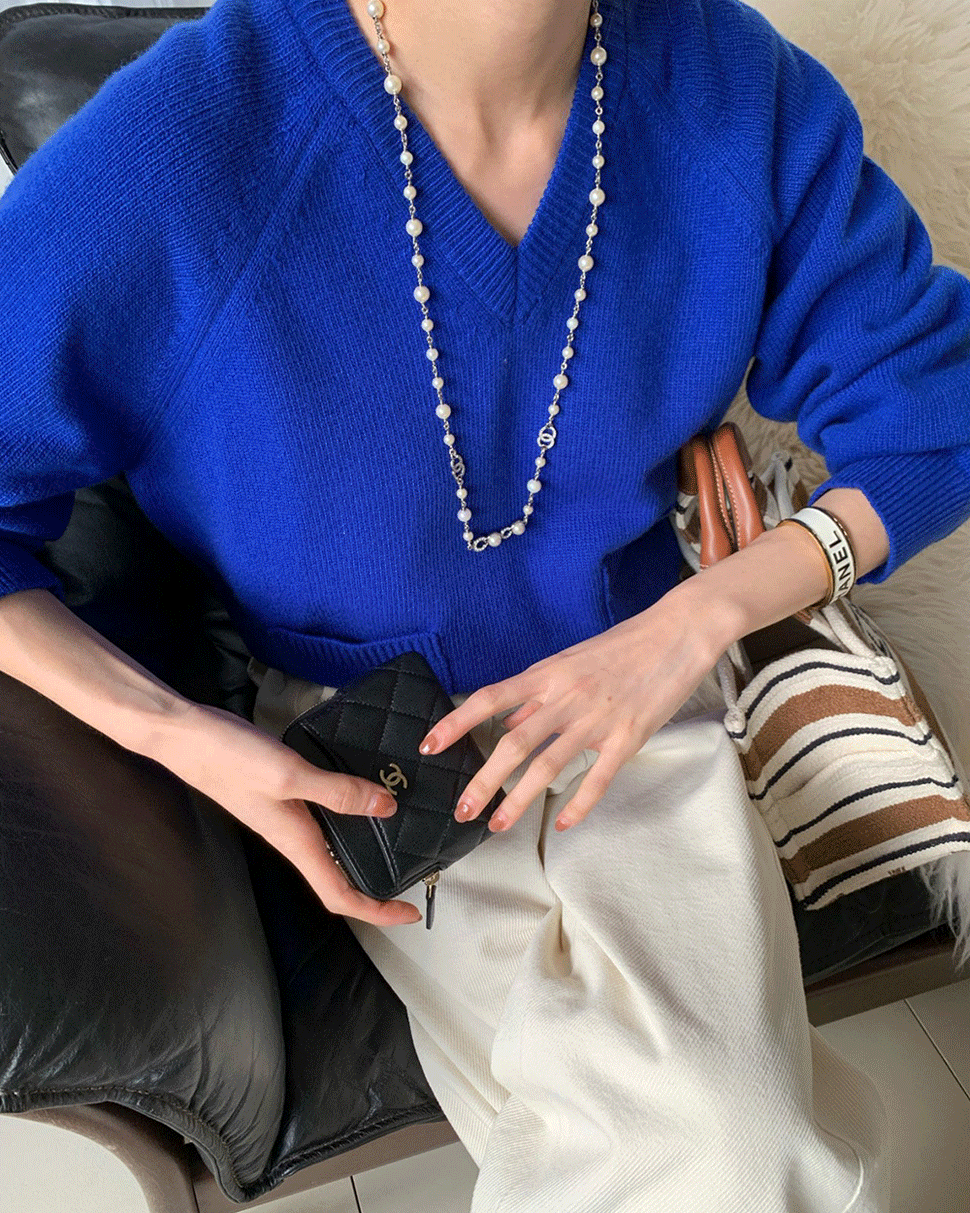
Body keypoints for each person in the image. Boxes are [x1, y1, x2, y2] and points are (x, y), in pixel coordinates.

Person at [2, 0, 970, 1207]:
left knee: (736, 1134)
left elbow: (932, 410)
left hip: (641, 691)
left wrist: (705, 614)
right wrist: (185, 736)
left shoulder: (729, 85)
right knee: (709, 1151)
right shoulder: (191, 142)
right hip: (380, 745)